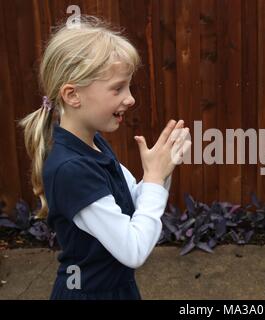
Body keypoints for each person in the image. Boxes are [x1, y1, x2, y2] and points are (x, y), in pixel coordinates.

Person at [19, 16, 191, 300]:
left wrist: (163, 168)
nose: (131, 98)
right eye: (118, 88)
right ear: (73, 95)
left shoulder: (92, 143)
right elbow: (134, 249)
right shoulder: (71, 169)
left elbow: (134, 204)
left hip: (117, 289)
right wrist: (155, 178)